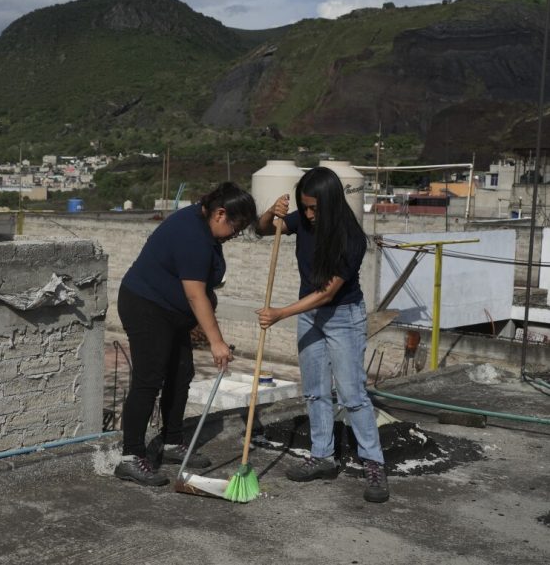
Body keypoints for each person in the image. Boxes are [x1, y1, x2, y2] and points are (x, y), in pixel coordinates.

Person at [254, 166, 389, 503]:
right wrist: (273, 211)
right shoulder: (304, 218)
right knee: (314, 392)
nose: (308, 215)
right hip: (308, 314)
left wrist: (282, 313)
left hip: (343, 317)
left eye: (314, 208)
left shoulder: (351, 238)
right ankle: (323, 456)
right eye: (305, 207)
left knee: (351, 394)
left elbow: (329, 293)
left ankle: (374, 464)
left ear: (330, 203)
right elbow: (262, 230)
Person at [114, 182, 257, 486]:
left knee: (181, 373)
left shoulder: (202, 222)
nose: (235, 234)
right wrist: (216, 342)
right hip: (147, 306)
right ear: (220, 213)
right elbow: (195, 294)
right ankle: (131, 457)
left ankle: (170, 442)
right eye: (237, 226)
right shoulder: (193, 236)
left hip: (171, 312)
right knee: (149, 378)